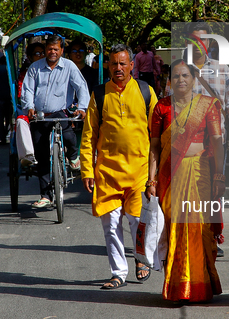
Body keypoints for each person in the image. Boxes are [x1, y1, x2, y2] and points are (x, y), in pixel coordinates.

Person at [80, 44, 158, 290]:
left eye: (123, 63)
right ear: (108, 66)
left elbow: (157, 133)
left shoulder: (146, 91)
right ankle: (118, 273)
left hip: (139, 172)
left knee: (137, 220)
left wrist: (158, 171)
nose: (118, 68)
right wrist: (87, 170)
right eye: (114, 63)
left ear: (132, 65)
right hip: (108, 173)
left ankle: (141, 259)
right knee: (111, 225)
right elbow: (88, 135)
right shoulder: (100, 94)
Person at [145, 60, 224, 302]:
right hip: (171, 177)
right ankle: (178, 287)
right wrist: (151, 180)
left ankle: (201, 286)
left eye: (185, 76)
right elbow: (155, 147)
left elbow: (217, 142)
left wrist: (219, 175)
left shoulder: (208, 105)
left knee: (199, 229)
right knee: (176, 230)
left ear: (194, 78)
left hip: (200, 174)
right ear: (169, 80)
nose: (180, 80)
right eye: (176, 76)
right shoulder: (162, 108)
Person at [185, 21, 229, 257]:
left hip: (215, 142)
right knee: (189, 189)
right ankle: (190, 235)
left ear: (209, 42)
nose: (199, 45)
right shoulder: (180, 70)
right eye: (194, 40)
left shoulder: (222, 70)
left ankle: (211, 235)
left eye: (203, 40)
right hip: (187, 144)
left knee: (214, 190)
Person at [21, 35, 89, 208]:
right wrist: (29, 106)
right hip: (40, 115)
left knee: (69, 136)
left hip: (60, 112)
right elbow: (27, 89)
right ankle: (46, 195)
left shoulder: (69, 66)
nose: (52, 52)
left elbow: (81, 87)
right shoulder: (35, 67)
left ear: (61, 50)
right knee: (41, 154)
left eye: (56, 49)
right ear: (45, 50)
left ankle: (73, 157)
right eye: (49, 49)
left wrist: (82, 107)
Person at [66, 39, 99, 171]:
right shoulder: (64, 71)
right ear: (69, 54)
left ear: (86, 53)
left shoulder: (92, 73)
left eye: (81, 51)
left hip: (87, 107)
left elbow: (95, 92)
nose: (77, 53)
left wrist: (83, 106)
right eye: (74, 51)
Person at [16, 42, 45, 166]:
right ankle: (28, 155)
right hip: (30, 108)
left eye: (42, 53)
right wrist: (30, 106)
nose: (40, 56)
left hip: (50, 108)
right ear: (31, 57)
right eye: (37, 54)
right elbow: (22, 93)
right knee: (21, 120)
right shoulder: (26, 73)